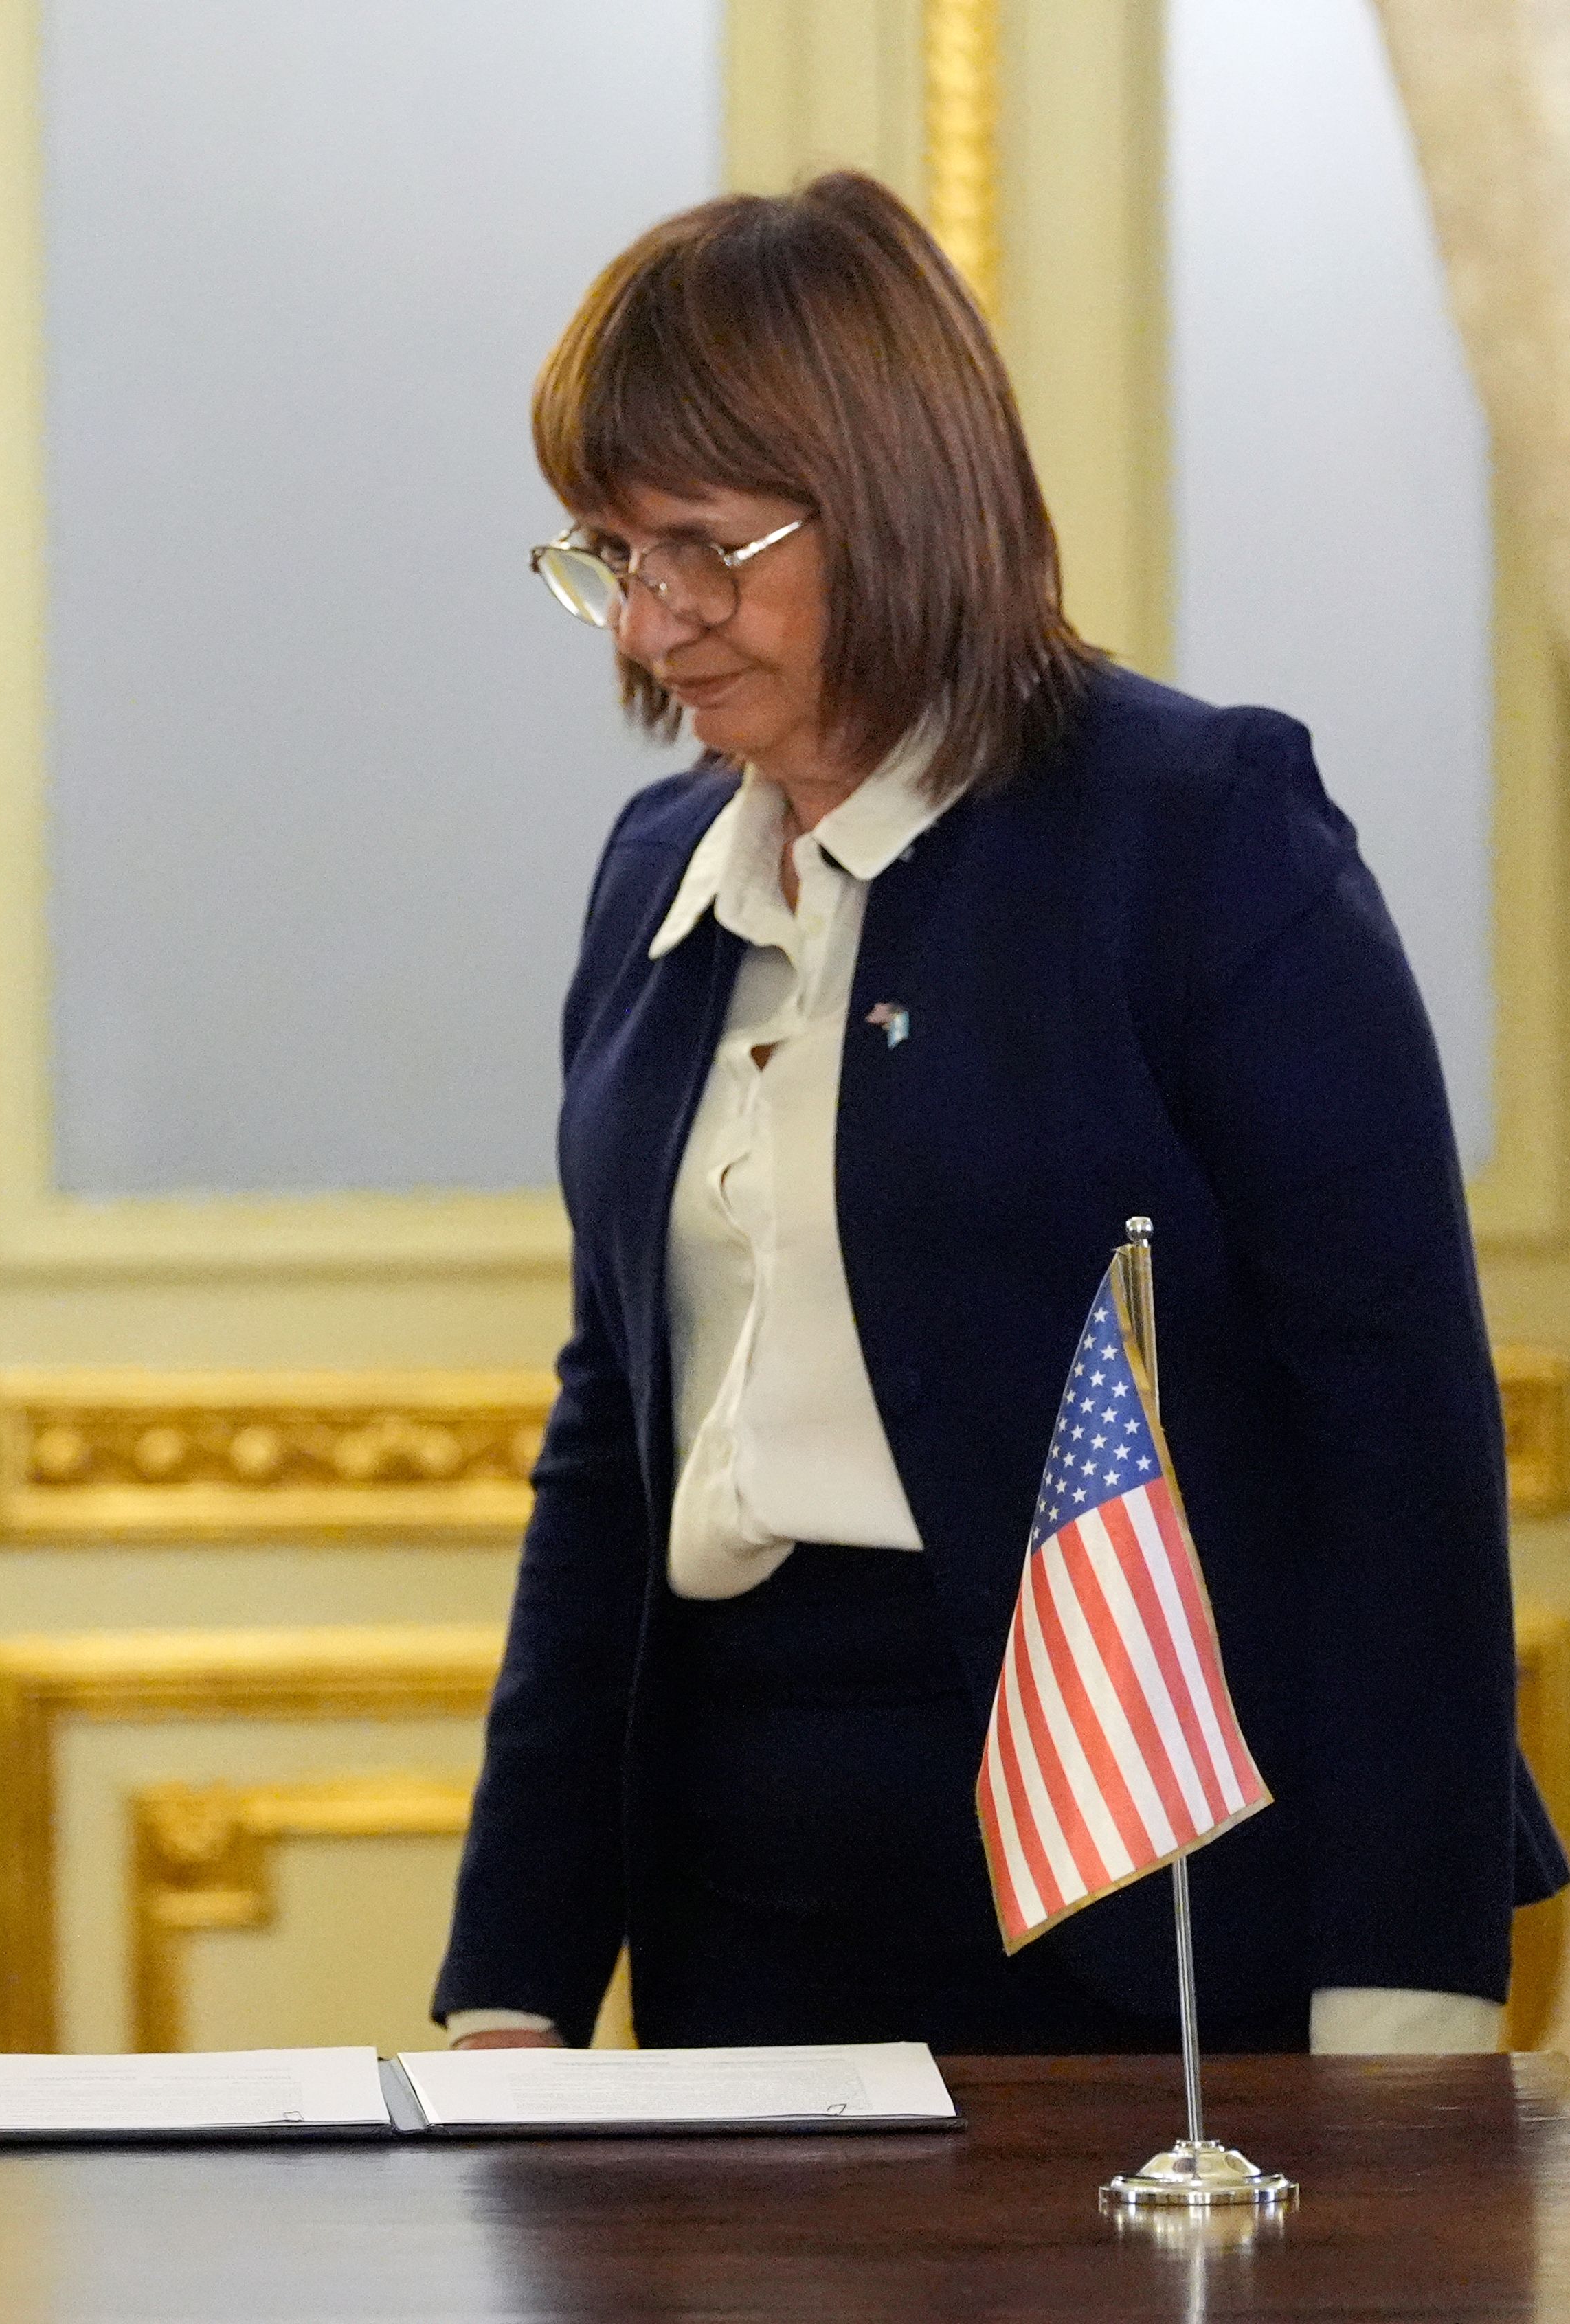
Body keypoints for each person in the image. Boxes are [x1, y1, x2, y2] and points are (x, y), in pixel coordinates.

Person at [433, 172, 1567, 2055]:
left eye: (703, 547)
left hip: (1143, 1886)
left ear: (886, 502)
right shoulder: (654, 882)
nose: (650, 626)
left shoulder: (1196, 837)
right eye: (609, 558)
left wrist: (1408, 1984)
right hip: (736, 1891)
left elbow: (1397, 1439)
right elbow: (611, 1441)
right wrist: (510, 1981)